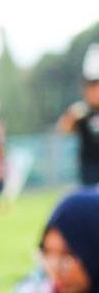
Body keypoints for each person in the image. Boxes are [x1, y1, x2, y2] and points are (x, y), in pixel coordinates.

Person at [56, 43, 99, 187]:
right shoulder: (80, 112)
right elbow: (63, 129)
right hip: (90, 171)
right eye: (92, 85)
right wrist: (71, 116)